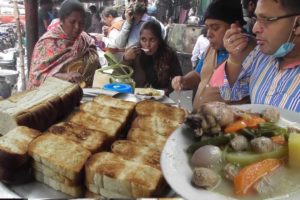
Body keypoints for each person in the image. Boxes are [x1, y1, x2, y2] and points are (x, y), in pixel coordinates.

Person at [215, 0, 300, 112]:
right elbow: (229, 94)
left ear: (297, 24)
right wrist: (234, 59)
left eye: (266, 20)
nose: (255, 29)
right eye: (256, 19)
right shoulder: (261, 57)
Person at [171, 0, 250, 110]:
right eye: (207, 28)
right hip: (198, 119)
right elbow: (199, 74)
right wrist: (183, 80)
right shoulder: (211, 48)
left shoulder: (250, 54)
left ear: (235, 26)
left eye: (215, 27)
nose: (208, 34)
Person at [28, 0, 101, 89]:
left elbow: (95, 63)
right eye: (72, 22)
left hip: (84, 94)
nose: (77, 27)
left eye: (81, 23)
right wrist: (62, 76)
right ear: (62, 21)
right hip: (53, 96)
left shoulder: (85, 39)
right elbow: (36, 77)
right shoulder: (47, 43)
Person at [122, 20, 182, 96]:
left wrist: (166, 90)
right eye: (143, 39)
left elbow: (178, 78)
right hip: (137, 98)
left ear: (159, 40)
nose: (147, 44)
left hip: (161, 99)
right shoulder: (134, 52)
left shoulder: (169, 53)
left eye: (152, 40)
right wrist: (125, 59)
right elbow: (118, 75)